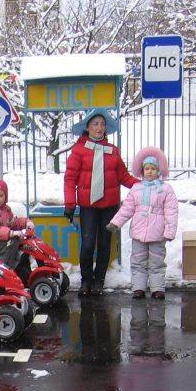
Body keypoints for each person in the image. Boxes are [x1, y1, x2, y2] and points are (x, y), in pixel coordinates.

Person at [63, 109, 138, 297]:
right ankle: (86, 280)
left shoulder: (112, 151)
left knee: (104, 244)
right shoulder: (79, 150)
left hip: (110, 206)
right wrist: (70, 205)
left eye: (102, 124)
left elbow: (124, 177)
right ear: (87, 128)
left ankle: (99, 281)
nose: (99, 127)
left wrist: (145, 185)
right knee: (88, 244)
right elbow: (70, 179)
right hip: (88, 207)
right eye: (95, 124)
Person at [106, 146, 179, 300]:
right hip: (139, 233)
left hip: (157, 233)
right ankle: (138, 287)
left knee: (156, 262)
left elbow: (171, 212)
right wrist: (116, 222)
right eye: (147, 168)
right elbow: (127, 208)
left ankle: (157, 288)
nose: (150, 171)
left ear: (159, 170)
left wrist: (170, 231)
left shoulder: (166, 189)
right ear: (142, 170)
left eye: (153, 168)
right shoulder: (136, 188)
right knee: (138, 261)